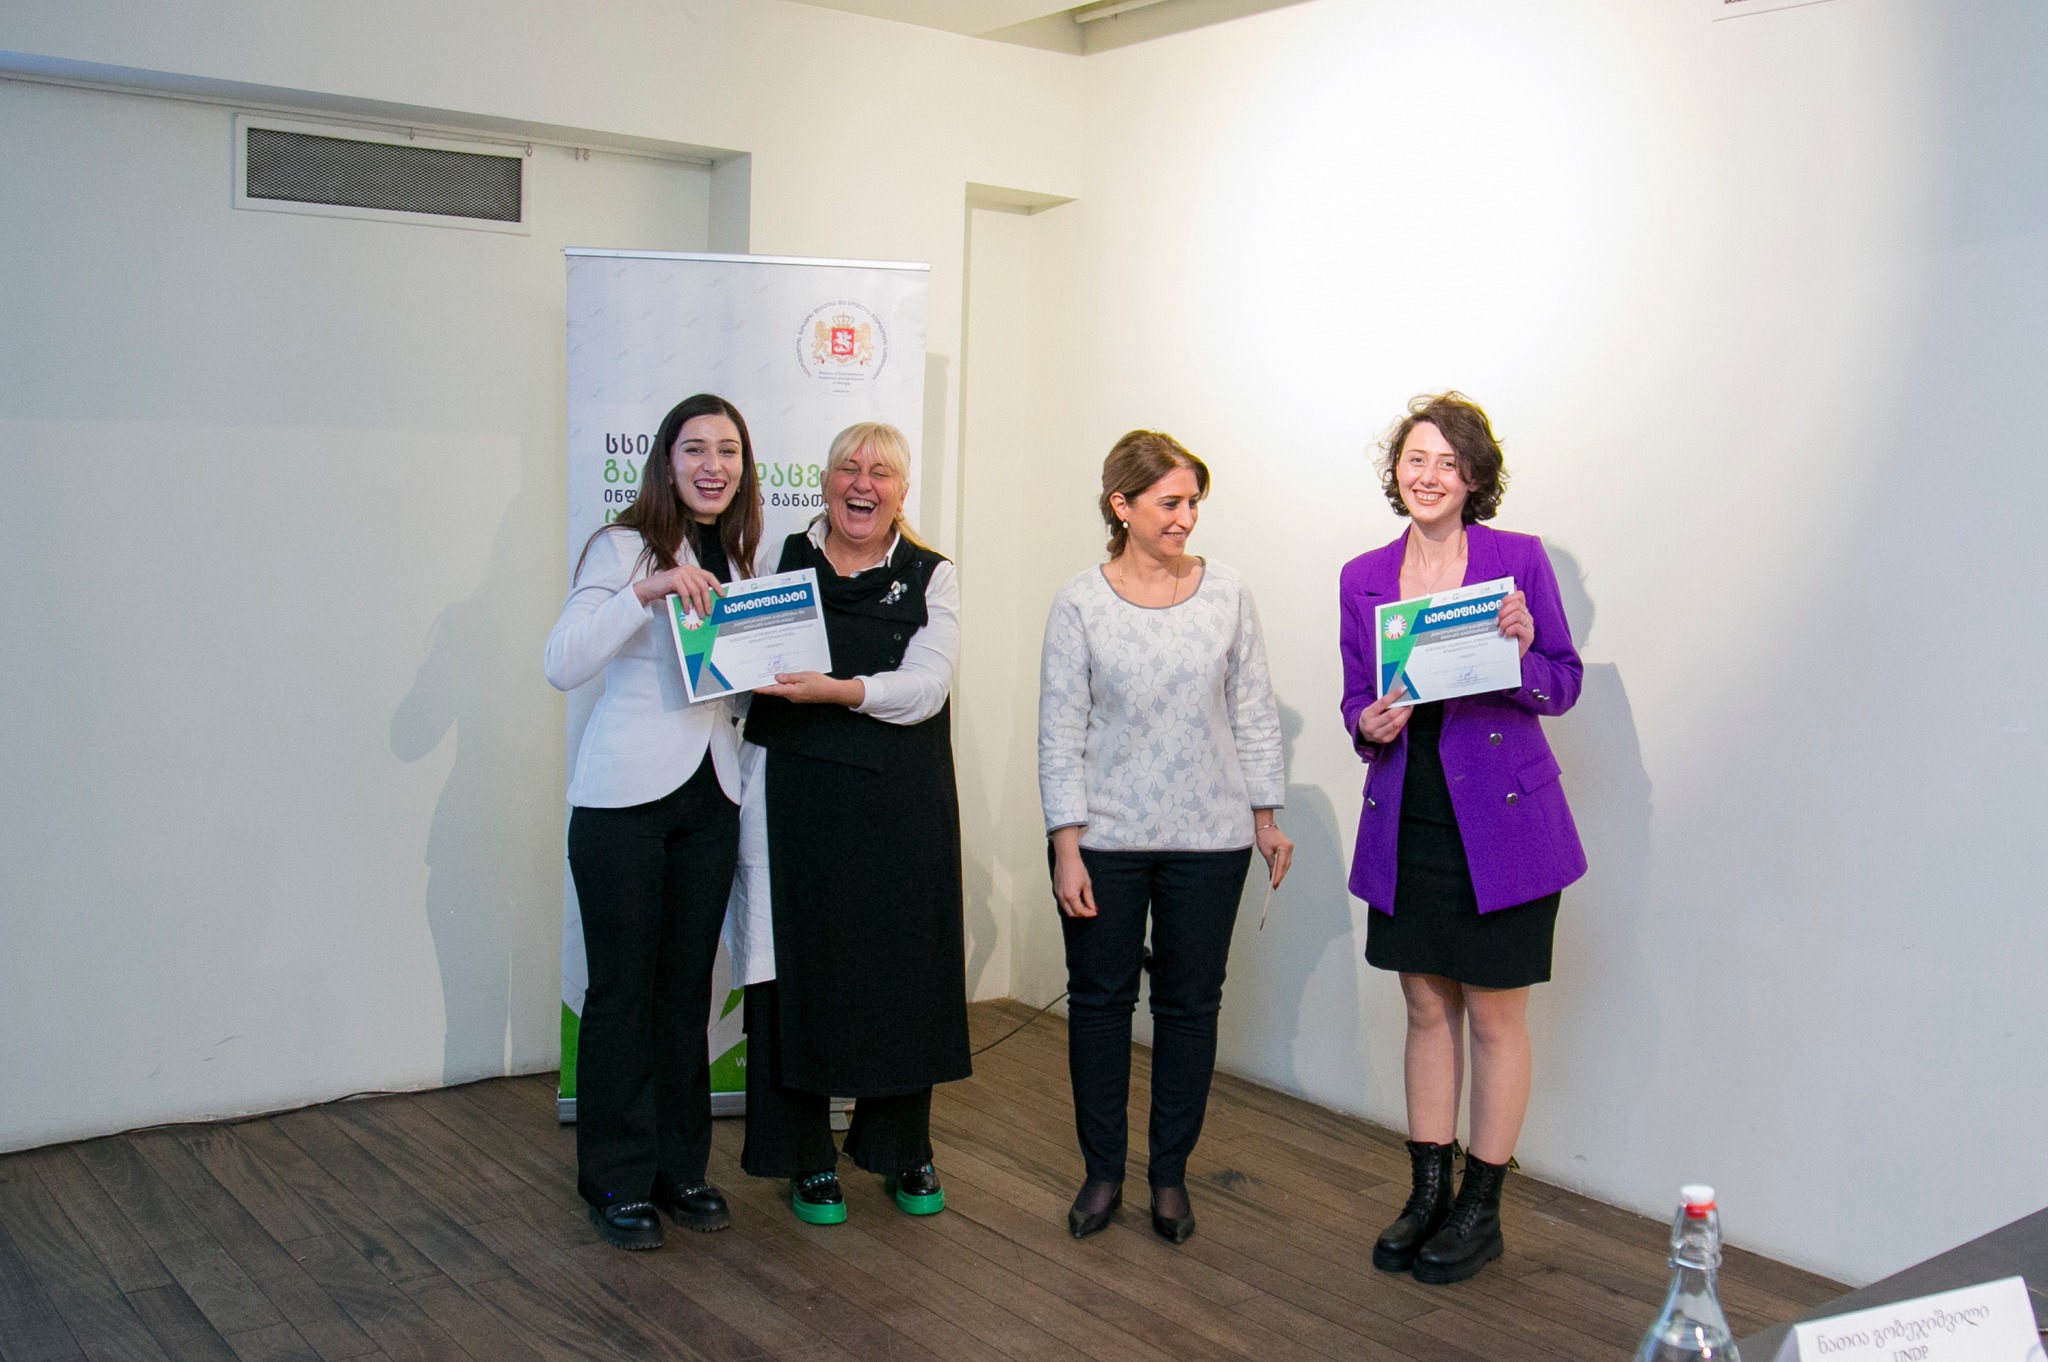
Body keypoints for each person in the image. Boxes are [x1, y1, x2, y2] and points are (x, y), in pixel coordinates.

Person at [1338, 392, 1586, 1285]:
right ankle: (1427, 1195)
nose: (1429, 475)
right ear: (1396, 471)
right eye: (1415, 458)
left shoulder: (1518, 560)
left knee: (1493, 1015)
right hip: (1410, 817)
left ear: (1475, 477)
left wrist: (1522, 652)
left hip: (1505, 826)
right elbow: (1355, 699)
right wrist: (1367, 723)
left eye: (1448, 462)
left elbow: (1562, 684)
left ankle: (1481, 1211)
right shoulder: (1363, 575)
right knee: (1424, 1009)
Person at [1037, 430, 1293, 1246]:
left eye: (1193, 503)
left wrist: (1265, 817)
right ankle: (1103, 1172)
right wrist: (1066, 845)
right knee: (1100, 1005)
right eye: (1170, 502)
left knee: (1189, 1007)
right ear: (1122, 506)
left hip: (1210, 841)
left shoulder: (1229, 595)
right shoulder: (1080, 602)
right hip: (1104, 841)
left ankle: (1170, 1176)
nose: (1186, 518)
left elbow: (1253, 711)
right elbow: (1059, 731)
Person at [725, 421, 970, 1225]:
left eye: (882, 472)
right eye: (848, 468)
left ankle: (903, 1147)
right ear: (825, 480)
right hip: (790, 792)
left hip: (900, 801)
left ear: (902, 490)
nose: (863, 483)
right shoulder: (779, 564)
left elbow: (926, 688)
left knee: (901, 968)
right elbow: (739, 675)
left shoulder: (933, 576)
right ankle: (803, 1155)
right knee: (791, 966)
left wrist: (838, 691)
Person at [543, 393, 761, 1250]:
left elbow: (727, 689)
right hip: (622, 802)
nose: (714, 465)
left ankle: (680, 1168)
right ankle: (615, 1179)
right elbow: (562, 661)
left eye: (729, 451)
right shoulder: (620, 546)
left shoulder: (739, 560)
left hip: (710, 797)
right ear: (666, 461)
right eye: (696, 448)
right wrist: (647, 589)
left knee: (685, 995)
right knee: (622, 993)